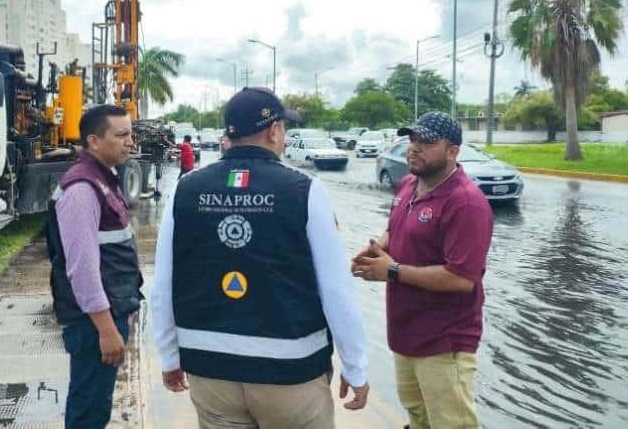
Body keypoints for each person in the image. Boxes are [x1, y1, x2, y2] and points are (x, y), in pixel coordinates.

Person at [151, 86, 370, 428]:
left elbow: (164, 283)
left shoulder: (185, 189)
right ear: (273, 130)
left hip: (211, 371)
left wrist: (168, 356)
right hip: (290, 371)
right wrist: (355, 366)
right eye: (283, 128)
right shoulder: (305, 190)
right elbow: (337, 290)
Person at [352, 112, 493, 429]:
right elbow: (395, 229)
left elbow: (461, 279)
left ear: (452, 151)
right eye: (412, 139)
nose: (413, 148)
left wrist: (391, 271)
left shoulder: (465, 203)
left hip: (444, 342)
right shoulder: (408, 185)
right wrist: (378, 248)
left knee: (451, 424)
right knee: (418, 418)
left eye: (426, 142)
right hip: (406, 334)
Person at [45, 105, 144, 428]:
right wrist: (106, 328)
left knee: (96, 405)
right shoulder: (83, 189)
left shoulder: (104, 178)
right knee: (88, 409)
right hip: (92, 324)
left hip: (110, 312)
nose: (130, 141)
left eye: (130, 133)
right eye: (121, 135)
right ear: (94, 141)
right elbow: (82, 268)